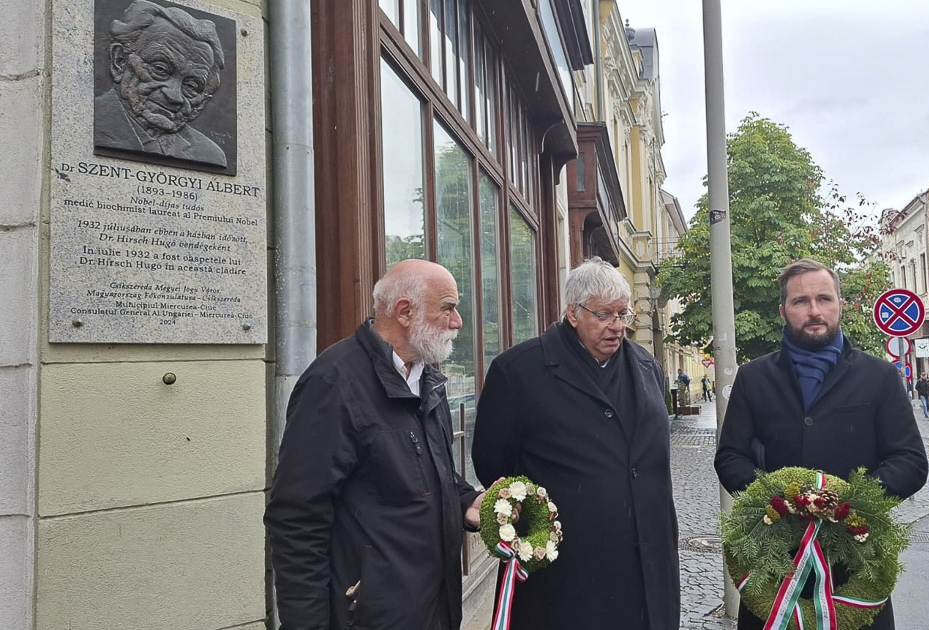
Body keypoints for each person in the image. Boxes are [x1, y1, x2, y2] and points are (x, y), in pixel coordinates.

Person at [264, 259, 484, 630]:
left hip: (433, 608)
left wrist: (467, 502)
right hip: (367, 616)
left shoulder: (427, 378)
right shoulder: (334, 382)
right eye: (447, 307)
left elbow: (423, 474)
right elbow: (297, 518)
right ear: (404, 311)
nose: (457, 321)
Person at [714, 258, 928, 630]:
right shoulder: (754, 377)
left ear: (840, 305)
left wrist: (845, 502)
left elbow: (910, 461)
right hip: (774, 563)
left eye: (824, 299)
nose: (814, 311)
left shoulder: (879, 377)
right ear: (783, 311)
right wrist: (783, 502)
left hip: (854, 562)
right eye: (800, 302)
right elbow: (730, 457)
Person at [472, 257, 680, 630]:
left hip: (646, 564)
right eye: (603, 315)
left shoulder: (647, 367)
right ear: (572, 312)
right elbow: (494, 465)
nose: (617, 327)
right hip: (568, 572)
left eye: (623, 314)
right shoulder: (517, 372)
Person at [95, 0, 228, 168]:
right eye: (160, 70)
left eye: (191, 87)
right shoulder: (84, 125)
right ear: (119, 61)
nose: (174, 96)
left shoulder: (210, 155)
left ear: (202, 101)